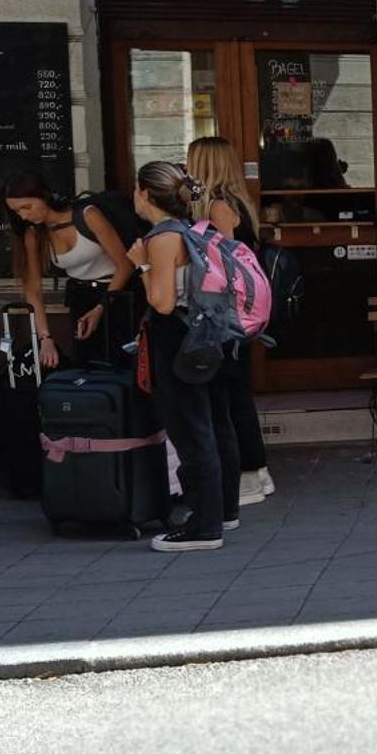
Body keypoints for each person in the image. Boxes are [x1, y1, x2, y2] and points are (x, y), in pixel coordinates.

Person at [132, 161, 240, 553]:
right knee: (215, 424)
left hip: (177, 339)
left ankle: (204, 525)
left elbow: (161, 302)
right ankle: (224, 509)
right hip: (208, 335)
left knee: (191, 431)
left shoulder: (162, 238)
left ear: (145, 194)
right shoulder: (195, 229)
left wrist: (140, 264)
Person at [185, 136, 275, 507]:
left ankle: (250, 473)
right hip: (234, 311)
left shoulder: (219, 205)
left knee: (231, 395)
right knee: (233, 393)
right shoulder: (234, 201)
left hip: (227, 313)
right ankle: (257, 472)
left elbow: (226, 263)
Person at [4, 172, 136, 369]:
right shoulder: (34, 234)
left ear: (44, 196)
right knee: (86, 362)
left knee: (121, 361)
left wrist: (101, 308)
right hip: (80, 296)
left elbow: (125, 264)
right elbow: (33, 289)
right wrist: (45, 338)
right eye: (17, 212)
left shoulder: (87, 215)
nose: (24, 216)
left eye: (27, 207)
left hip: (115, 292)